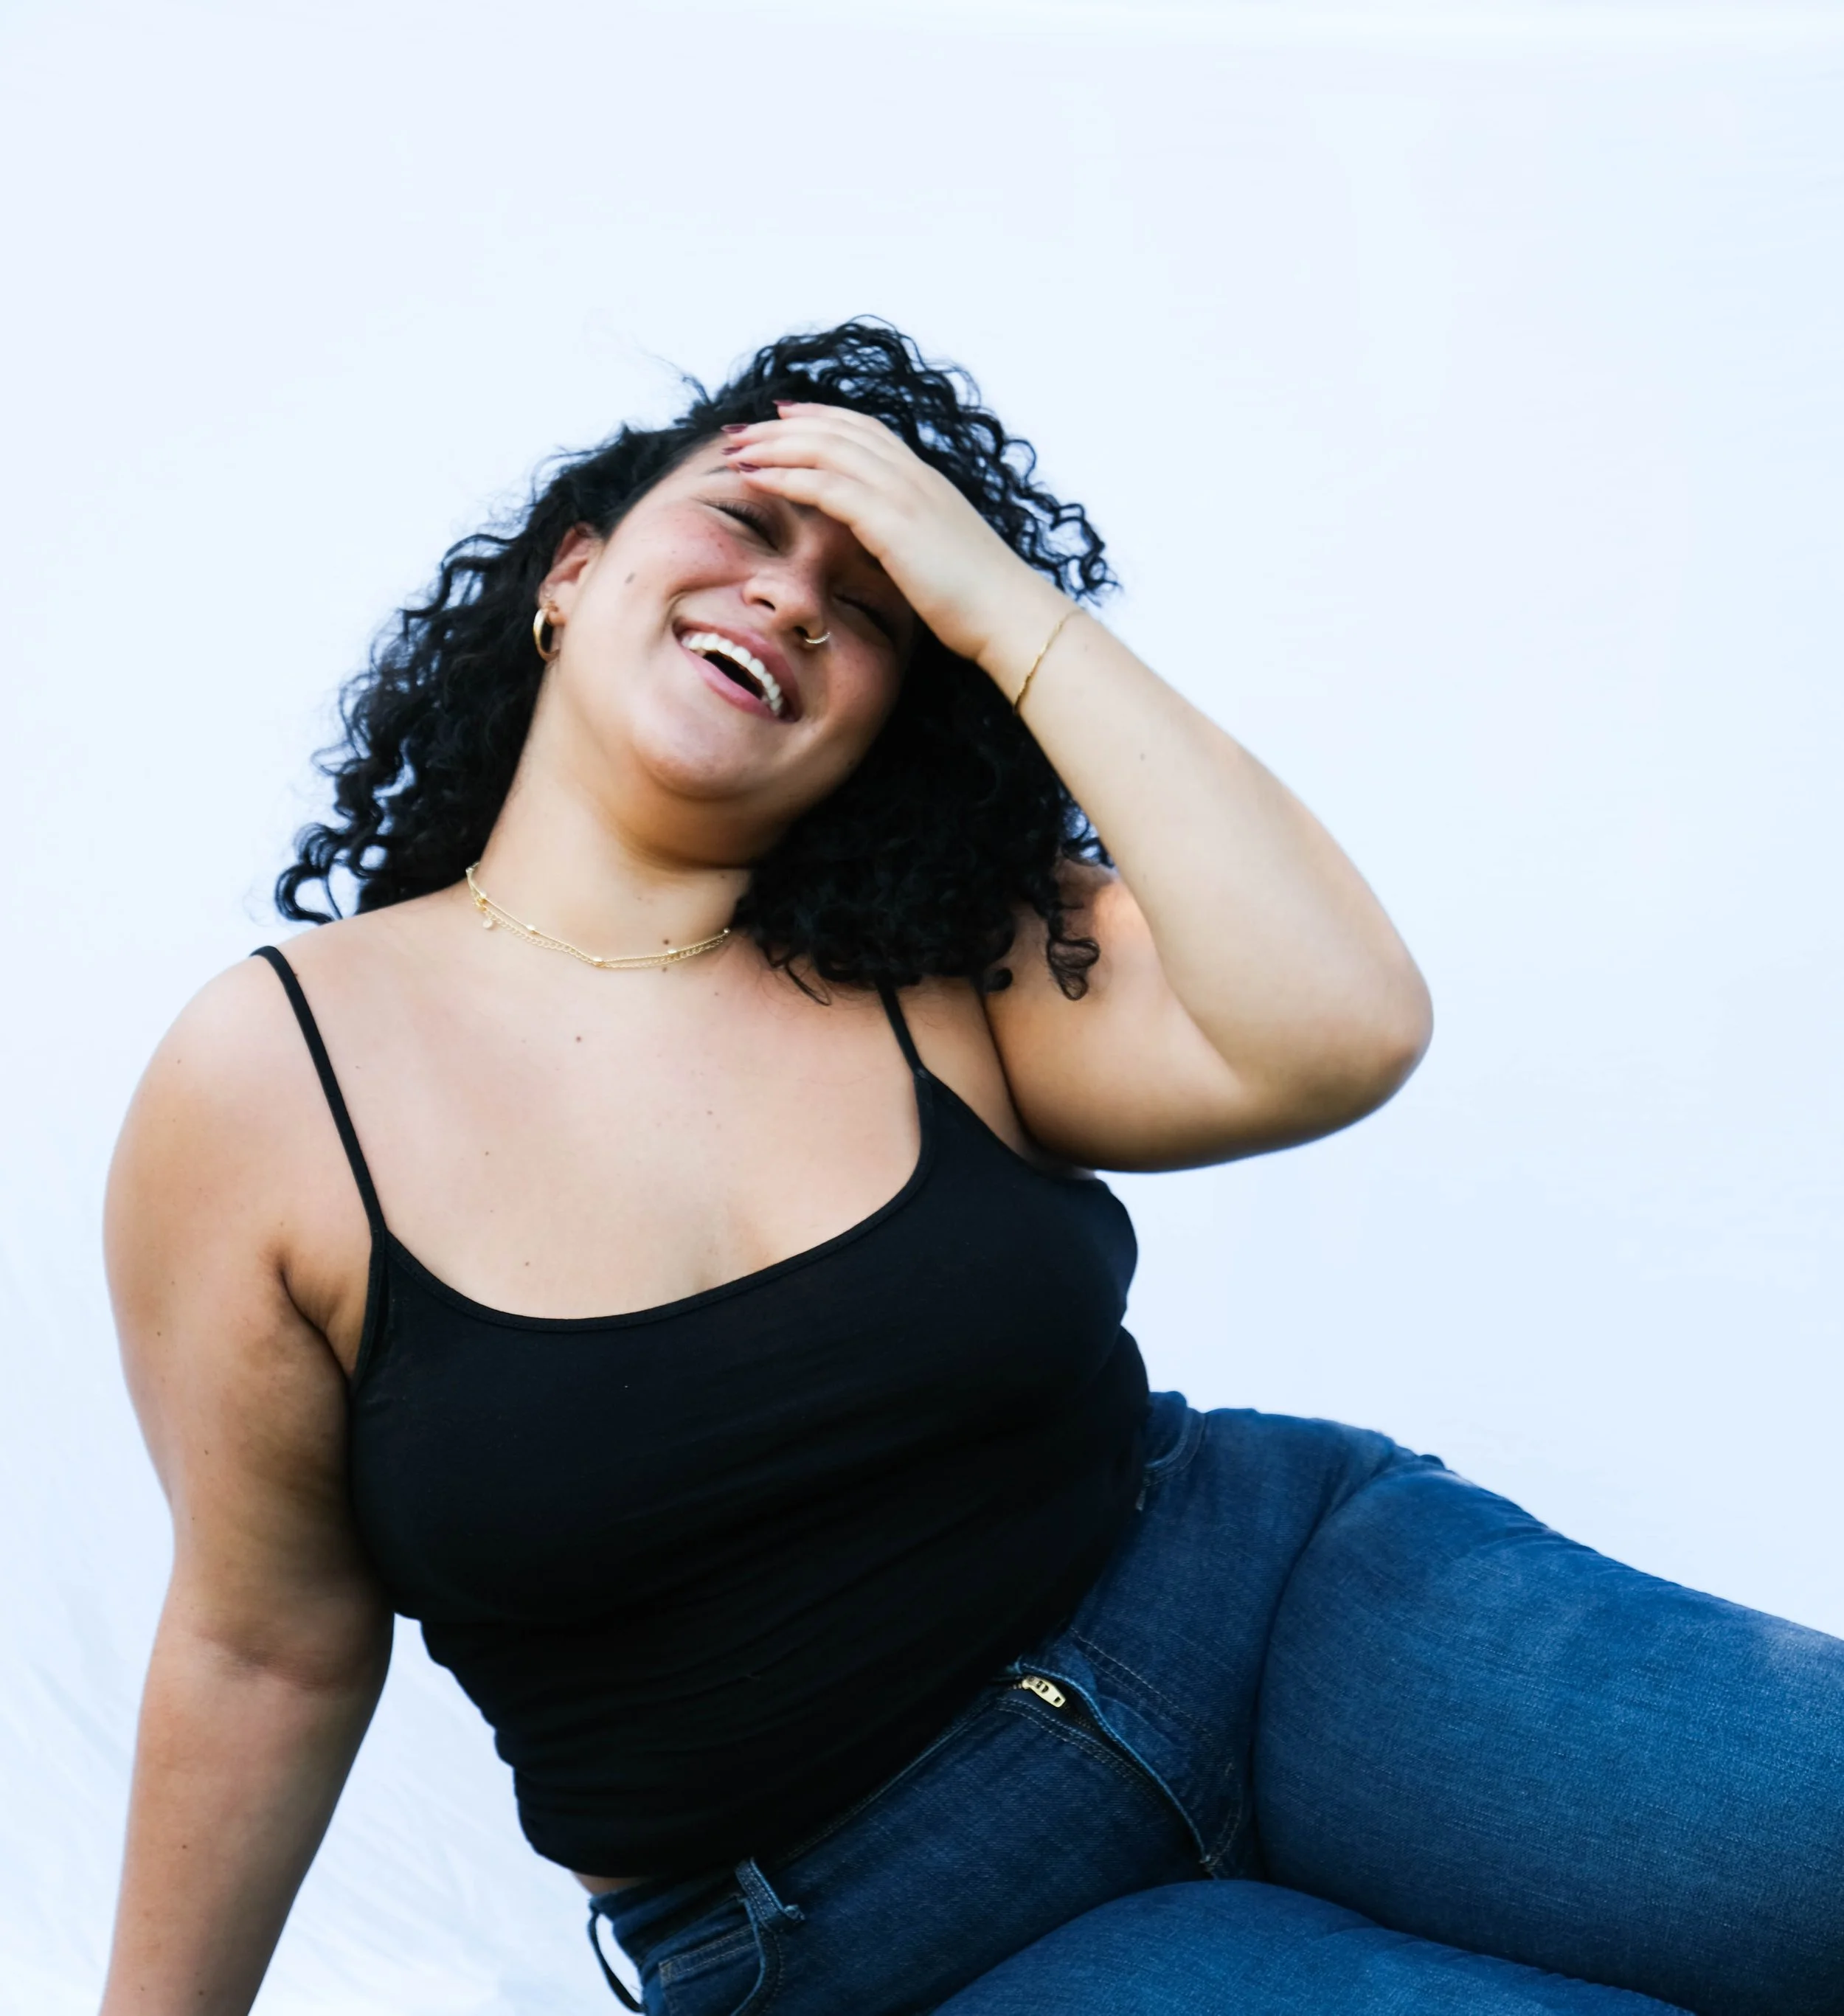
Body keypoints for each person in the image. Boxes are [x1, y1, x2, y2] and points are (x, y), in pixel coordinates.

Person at [100, 322, 1843, 2016]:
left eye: (869, 603)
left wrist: (1001, 607)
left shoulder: (942, 955)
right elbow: (267, 1647)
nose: (790, 594)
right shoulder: (273, 1084)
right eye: (741, 518)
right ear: (569, 575)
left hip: (1280, 1611)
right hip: (878, 1936)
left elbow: (1341, 1024)